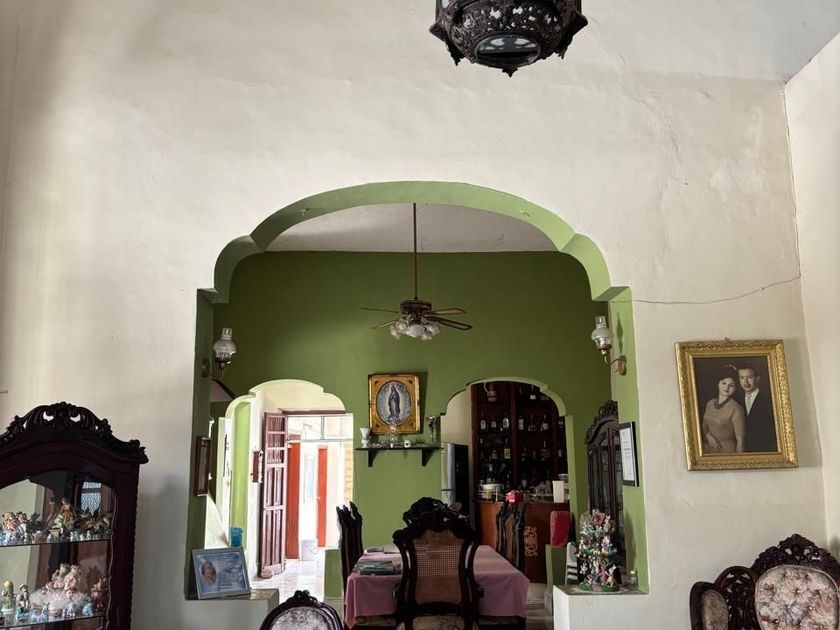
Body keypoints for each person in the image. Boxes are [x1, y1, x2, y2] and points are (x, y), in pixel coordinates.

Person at [701, 367, 746, 453]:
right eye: (724, 383)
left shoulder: (736, 408)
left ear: (735, 388)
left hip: (726, 452)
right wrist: (708, 436)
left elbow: (740, 441)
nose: (727, 387)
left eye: (731, 385)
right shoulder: (710, 403)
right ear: (718, 384)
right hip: (708, 450)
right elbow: (704, 427)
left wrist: (738, 460)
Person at [737, 363, 777, 452]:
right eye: (742, 378)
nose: (745, 382)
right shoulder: (736, 400)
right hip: (742, 452)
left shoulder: (770, 400)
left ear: (757, 379)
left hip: (764, 451)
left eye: (749, 377)